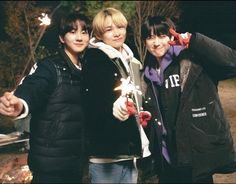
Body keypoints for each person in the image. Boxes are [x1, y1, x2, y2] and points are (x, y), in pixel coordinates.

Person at [140, 15, 236, 183]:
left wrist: (195, 41)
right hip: (166, 160)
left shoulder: (193, 61)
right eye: (150, 37)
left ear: (171, 36)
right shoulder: (146, 75)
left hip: (195, 159)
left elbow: (232, 62)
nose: (156, 42)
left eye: (161, 35)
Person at [0, 12, 91, 183]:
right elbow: (33, 87)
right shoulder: (49, 67)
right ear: (62, 38)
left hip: (75, 164)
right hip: (49, 166)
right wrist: (19, 104)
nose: (79, 37)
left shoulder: (86, 69)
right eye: (72, 32)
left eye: (84, 32)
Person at [82, 7, 151, 183]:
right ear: (99, 34)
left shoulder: (131, 60)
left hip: (130, 150)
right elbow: (95, 101)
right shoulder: (95, 59)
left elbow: (137, 99)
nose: (117, 33)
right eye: (109, 29)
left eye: (120, 27)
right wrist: (116, 107)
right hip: (106, 152)